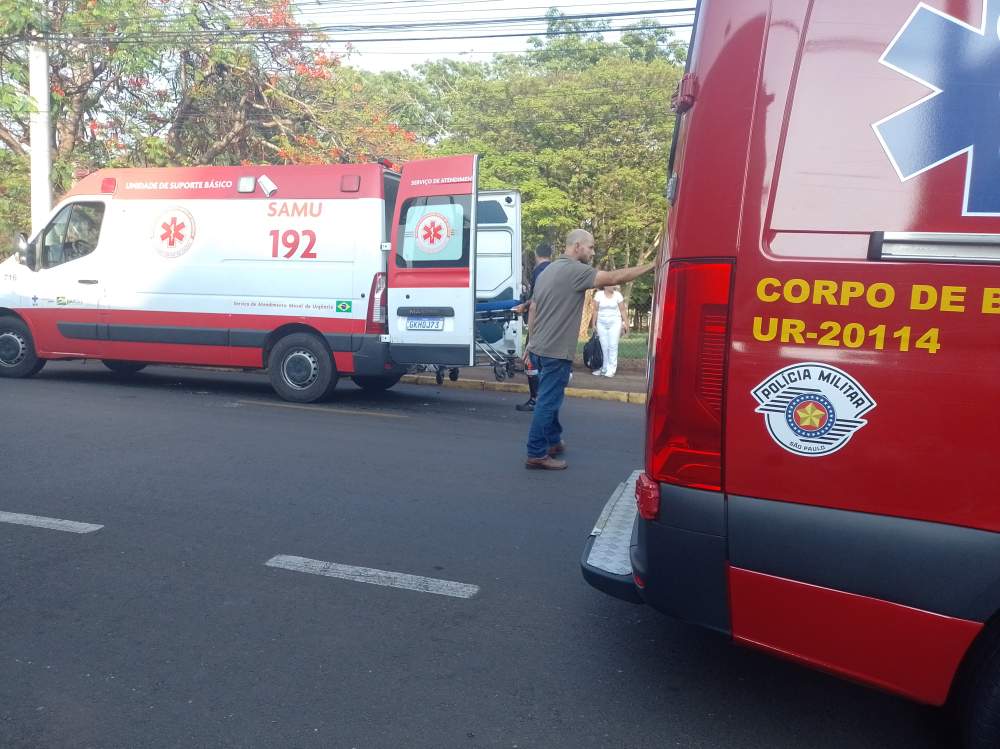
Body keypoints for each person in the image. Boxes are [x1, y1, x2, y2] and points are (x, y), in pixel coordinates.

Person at [524, 229, 654, 470]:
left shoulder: (548, 270)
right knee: (548, 402)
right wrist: (654, 265)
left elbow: (533, 308)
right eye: (591, 247)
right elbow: (616, 277)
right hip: (555, 350)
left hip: (539, 348)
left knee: (548, 397)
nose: (593, 252)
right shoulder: (575, 270)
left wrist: (530, 343)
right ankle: (536, 453)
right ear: (576, 247)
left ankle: (553, 441)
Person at [514, 242, 553, 412]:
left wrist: (525, 306)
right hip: (552, 322)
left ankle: (534, 399)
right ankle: (545, 399)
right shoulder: (555, 270)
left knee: (530, 362)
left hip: (538, 322)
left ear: (537, 255)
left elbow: (537, 300)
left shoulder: (538, 271)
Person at [589, 285, 628, 377]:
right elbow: (595, 310)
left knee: (613, 345)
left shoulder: (618, 295)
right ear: (605, 286)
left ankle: (612, 369)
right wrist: (593, 324)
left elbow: (622, 310)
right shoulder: (599, 295)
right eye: (610, 284)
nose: (613, 286)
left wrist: (626, 323)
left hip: (615, 323)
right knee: (604, 346)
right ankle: (604, 367)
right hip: (601, 323)